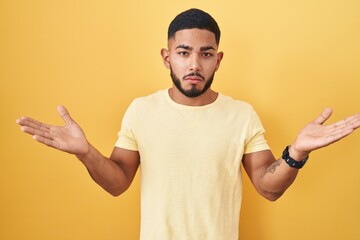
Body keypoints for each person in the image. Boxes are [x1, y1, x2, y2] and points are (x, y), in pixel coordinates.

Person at [17, 8, 360, 240]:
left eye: (205, 53)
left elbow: (268, 188)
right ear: (167, 57)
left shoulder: (241, 114)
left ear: (218, 59)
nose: (194, 63)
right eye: (183, 52)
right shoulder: (141, 110)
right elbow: (118, 182)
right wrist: (86, 152)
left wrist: (296, 152)